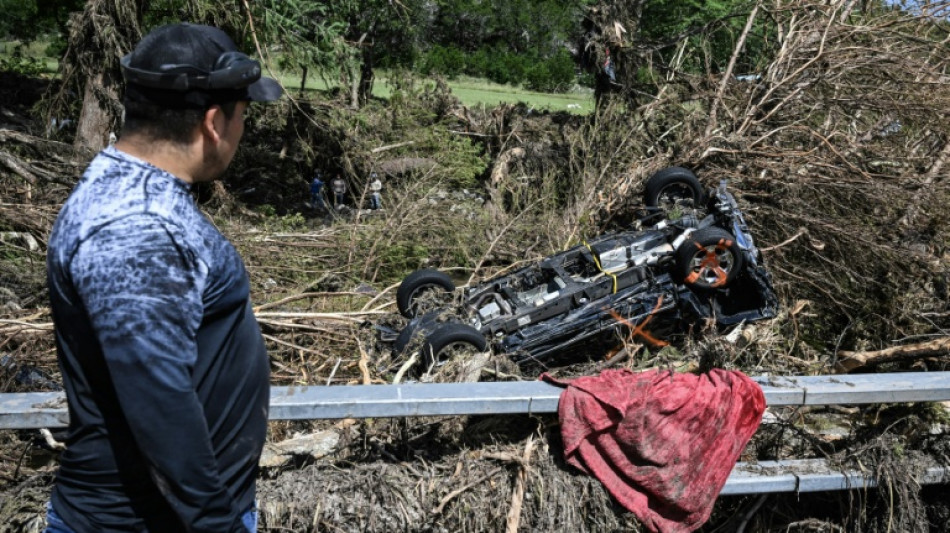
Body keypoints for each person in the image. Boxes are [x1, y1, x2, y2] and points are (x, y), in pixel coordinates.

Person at [45, 23, 281, 533]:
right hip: (150, 521)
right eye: (243, 116)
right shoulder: (137, 228)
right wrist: (217, 524)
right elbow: (158, 399)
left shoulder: (127, 191)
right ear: (214, 122)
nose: (242, 131)